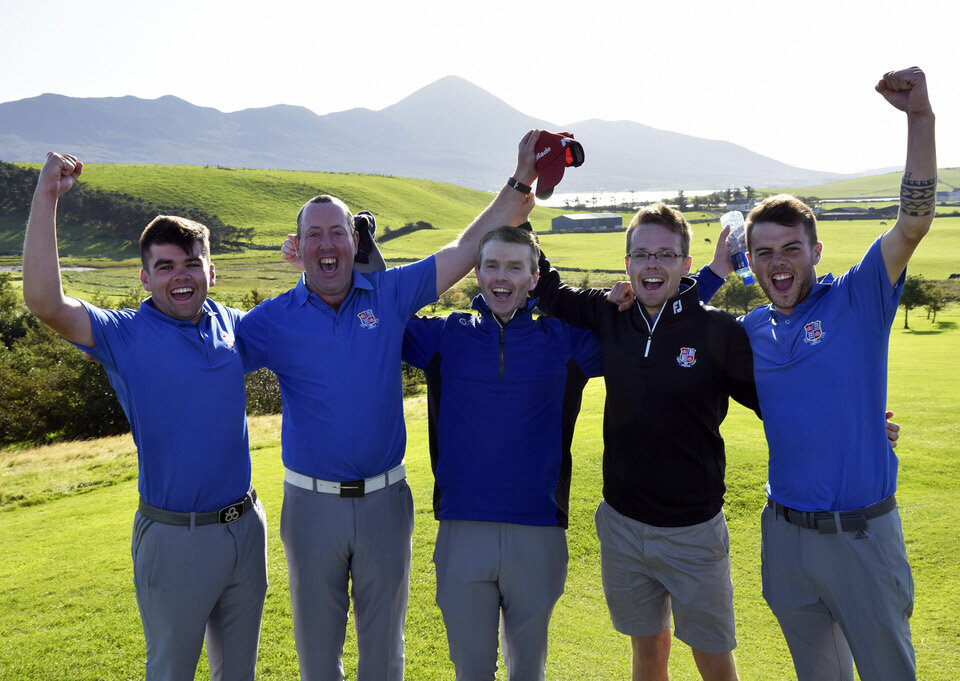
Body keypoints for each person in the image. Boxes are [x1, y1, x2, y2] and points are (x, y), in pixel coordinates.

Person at [241, 131, 541, 681]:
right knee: (315, 653)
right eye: (315, 235)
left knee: (384, 653)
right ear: (298, 244)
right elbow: (206, 364)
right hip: (310, 507)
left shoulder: (389, 294)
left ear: (355, 244)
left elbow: (464, 249)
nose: (327, 244)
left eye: (337, 233)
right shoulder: (272, 320)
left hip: (385, 501)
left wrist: (521, 180)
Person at [22, 153, 268, 681]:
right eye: (165, 266)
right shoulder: (124, 335)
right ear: (145, 275)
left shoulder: (233, 325)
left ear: (211, 271)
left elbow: (307, 328)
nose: (180, 277)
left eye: (191, 264)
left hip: (246, 529)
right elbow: (44, 301)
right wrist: (46, 197)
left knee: (240, 674)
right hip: (176, 539)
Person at [736, 67, 935, 681]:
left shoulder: (859, 299)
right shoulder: (749, 332)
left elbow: (912, 223)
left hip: (860, 537)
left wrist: (920, 119)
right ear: (750, 262)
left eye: (790, 248)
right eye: (763, 252)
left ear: (815, 252)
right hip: (784, 537)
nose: (778, 262)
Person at [532, 203, 758, 681]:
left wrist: (858, 424)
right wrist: (519, 203)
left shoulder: (719, 331)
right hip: (622, 525)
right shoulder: (611, 313)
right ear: (627, 262)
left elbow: (778, 406)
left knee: (714, 659)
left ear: (685, 264)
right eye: (641, 255)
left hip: (694, 532)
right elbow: (548, 289)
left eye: (665, 255)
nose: (652, 265)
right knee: (648, 653)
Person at [401, 201, 603, 680]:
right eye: (490, 264)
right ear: (475, 272)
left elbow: (644, 329)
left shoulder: (565, 341)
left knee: (527, 670)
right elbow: (375, 308)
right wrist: (359, 257)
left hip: (538, 532)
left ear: (535, 277)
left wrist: (714, 274)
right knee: (471, 671)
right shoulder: (446, 336)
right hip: (461, 530)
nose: (501, 276)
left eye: (515, 266)